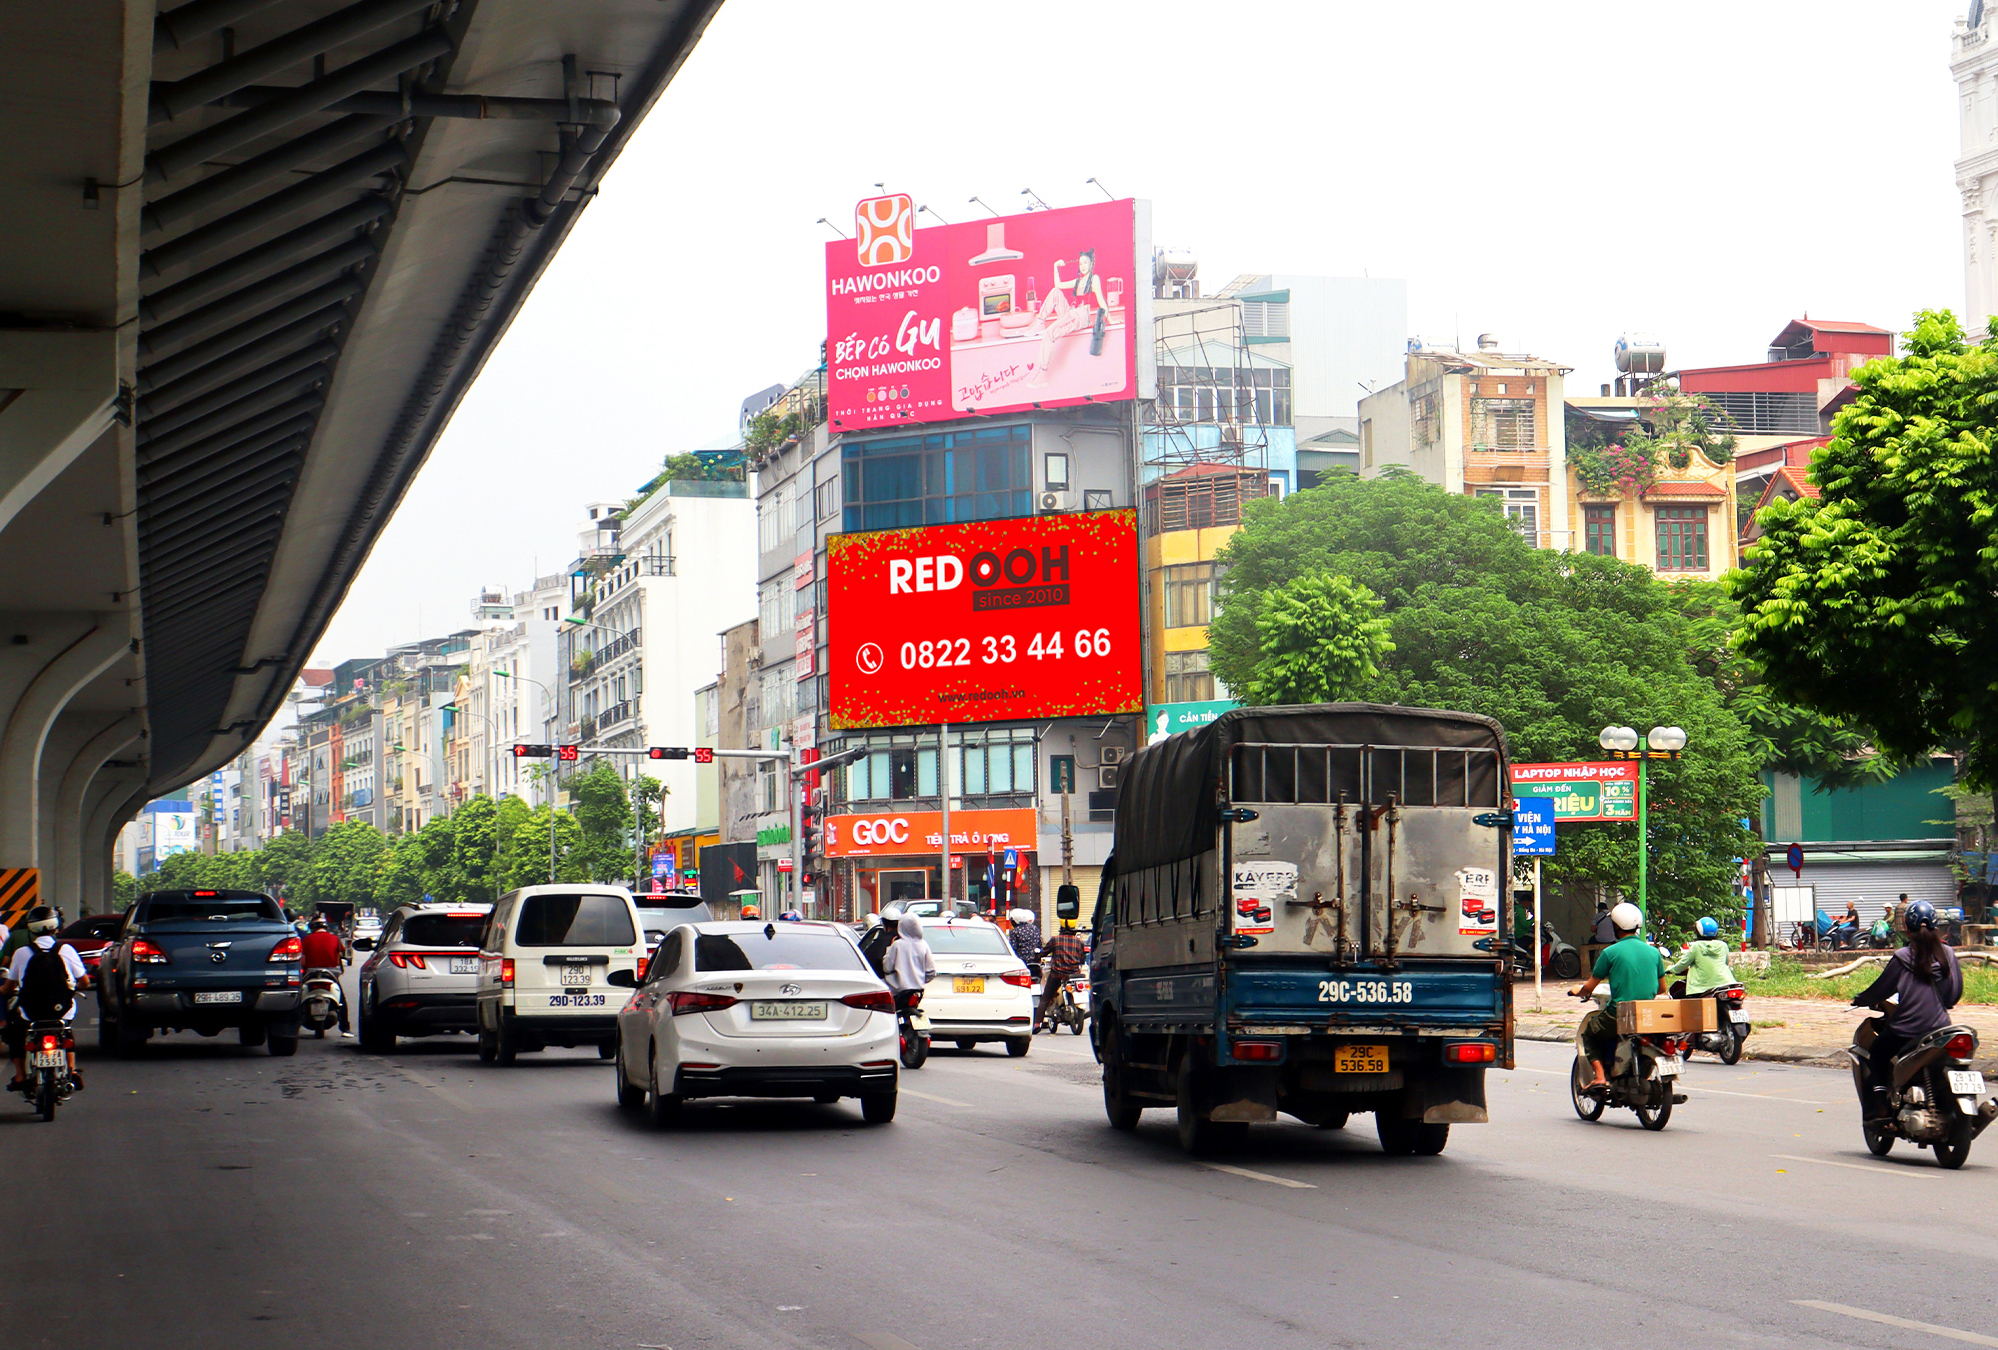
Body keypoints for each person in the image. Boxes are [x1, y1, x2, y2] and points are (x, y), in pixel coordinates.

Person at [1850, 899, 1963, 1121]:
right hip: (1941, 1029)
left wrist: (1861, 1000)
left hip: (1907, 1030)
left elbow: (1881, 989)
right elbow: (1954, 994)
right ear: (1935, 926)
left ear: (1907, 929)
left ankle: (1881, 1106)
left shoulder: (1902, 957)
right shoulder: (1948, 954)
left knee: (1879, 1053)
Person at [1568, 901, 1667, 1092]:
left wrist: (1576, 991)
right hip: (1648, 1014)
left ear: (1615, 927)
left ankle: (1600, 1077)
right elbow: (1662, 988)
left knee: (1589, 1034)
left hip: (1619, 1013)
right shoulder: (1653, 953)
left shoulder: (1610, 953)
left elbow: (1589, 987)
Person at [3, 906, 87, 1092]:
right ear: (55, 925)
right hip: (62, 1008)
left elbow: (9, 987)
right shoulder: (67, 950)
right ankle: (71, 1070)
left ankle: (20, 1075)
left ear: (31, 927)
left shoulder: (22, 952)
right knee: (65, 1029)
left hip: (30, 1011)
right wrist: (72, 988)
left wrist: (4, 990)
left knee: (14, 1034)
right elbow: (84, 982)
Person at [300, 917, 350, 1037]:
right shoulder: (335, 939)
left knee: (297, 997)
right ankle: (345, 1028)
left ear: (313, 928)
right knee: (341, 1000)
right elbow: (338, 958)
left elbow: (303, 961)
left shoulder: (307, 940)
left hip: (310, 972)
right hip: (331, 972)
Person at [1037, 918, 1089, 1032]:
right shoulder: (1079, 942)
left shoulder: (1056, 940)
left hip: (1057, 974)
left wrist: (1037, 956)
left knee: (1046, 997)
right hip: (1074, 974)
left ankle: (1036, 1024)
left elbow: (1043, 952)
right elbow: (1082, 959)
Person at [1666, 916, 1737, 998]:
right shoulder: (1723, 945)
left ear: (1698, 932)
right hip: (1725, 984)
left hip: (1701, 987)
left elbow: (1683, 964)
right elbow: (1726, 962)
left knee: (1677, 995)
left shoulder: (1696, 946)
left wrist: (1670, 969)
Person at [881, 914, 935, 1016]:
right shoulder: (924, 945)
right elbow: (931, 972)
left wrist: (889, 948)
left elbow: (887, 967)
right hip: (918, 991)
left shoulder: (897, 945)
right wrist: (919, 979)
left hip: (898, 991)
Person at [1006, 907, 1043, 978]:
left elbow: (1013, 948)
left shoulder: (1015, 931)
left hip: (1021, 962)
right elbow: (1040, 944)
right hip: (1035, 961)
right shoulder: (1035, 928)